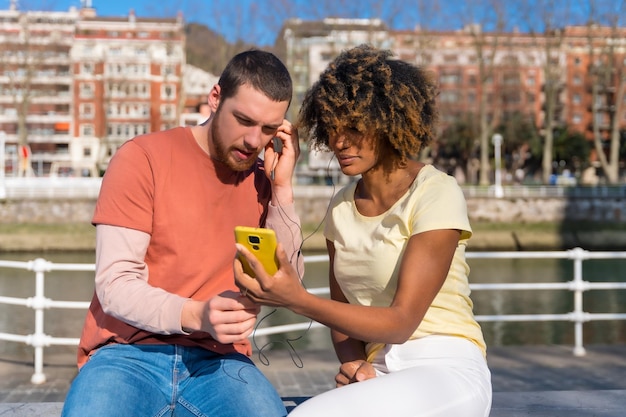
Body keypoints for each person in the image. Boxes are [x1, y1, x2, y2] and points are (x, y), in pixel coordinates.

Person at [234, 45, 492, 417]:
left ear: (388, 122)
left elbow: (402, 322)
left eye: (354, 127)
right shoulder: (341, 206)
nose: (339, 142)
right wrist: (354, 364)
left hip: (446, 366)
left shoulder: (436, 192)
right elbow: (343, 312)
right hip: (379, 373)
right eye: (332, 128)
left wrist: (297, 300)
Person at [62, 49, 302, 417]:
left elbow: (287, 287)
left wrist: (282, 191)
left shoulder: (262, 180)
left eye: (269, 129)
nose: (254, 141)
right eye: (244, 120)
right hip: (126, 352)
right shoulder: (142, 158)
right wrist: (196, 314)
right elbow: (115, 284)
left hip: (220, 361)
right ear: (215, 98)